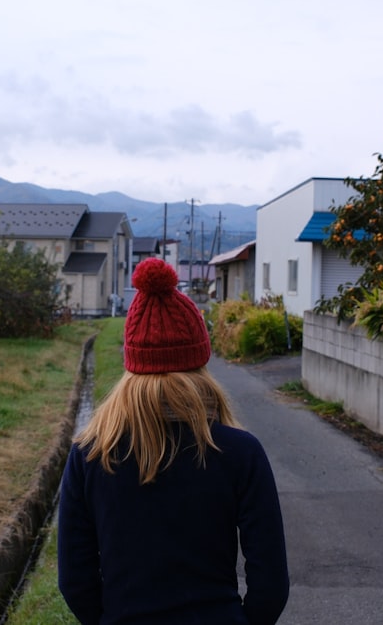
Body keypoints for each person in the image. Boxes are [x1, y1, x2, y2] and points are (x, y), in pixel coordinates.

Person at [58, 257, 289, 625]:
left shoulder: (90, 454)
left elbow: (75, 581)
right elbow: (271, 584)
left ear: (131, 363)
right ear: (199, 363)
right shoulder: (241, 453)